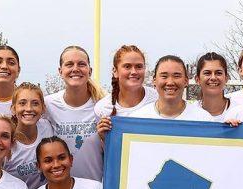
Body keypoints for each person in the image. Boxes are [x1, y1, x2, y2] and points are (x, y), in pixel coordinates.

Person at [74, 45, 159, 181]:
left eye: (139, 66)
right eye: (127, 66)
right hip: (122, 178)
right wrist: (103, 138)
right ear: (115, 71)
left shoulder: (157, 99)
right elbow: (107, 153)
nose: (134, 71)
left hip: (154, 173)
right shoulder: (103, 108)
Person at [44, 45, 105, 167]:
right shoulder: (48, 105)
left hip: (97, 184)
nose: (75, 69)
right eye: (69, 64)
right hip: (61, 184)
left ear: (90, 71)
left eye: (81, 64)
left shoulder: (103, 106)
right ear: (60, 71)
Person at [5, 82, 56, 189]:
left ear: (43, 108)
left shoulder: (47, 127)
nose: (28, 109)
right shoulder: (6, 141)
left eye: (35, 103)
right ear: (13, 109)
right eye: (22, 103)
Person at [131, 56, 213, 120]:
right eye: (164, 76)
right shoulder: (138, 118)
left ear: (186, 81)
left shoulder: (204, 119)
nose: (170, 82)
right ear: (154, 81)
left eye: (176, 76)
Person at [195, 52, 242, 119]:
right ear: (197, 79)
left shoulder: (240, 112)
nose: (213, 78)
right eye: (207, 73)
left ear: (226, 78)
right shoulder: (189, 114)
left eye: (218, 73)